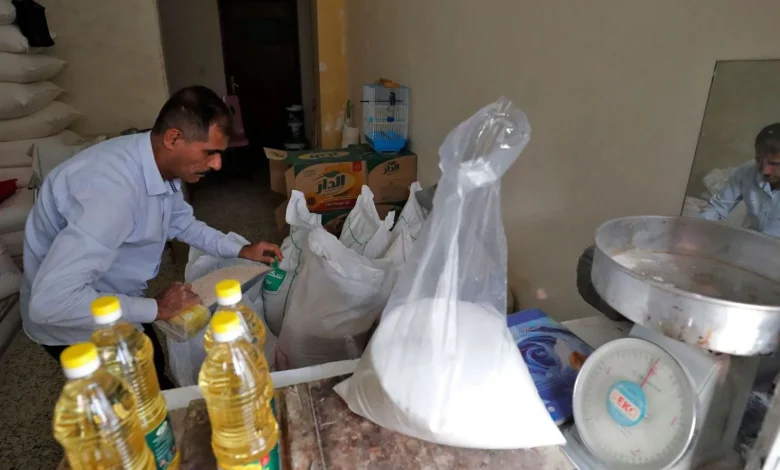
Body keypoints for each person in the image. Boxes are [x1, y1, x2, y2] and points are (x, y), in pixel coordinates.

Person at [20, 86, 282, 388]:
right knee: (137, 401)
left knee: (153, 367)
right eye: (209, 152)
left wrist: (240, 249)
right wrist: (157, 308)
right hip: (77, 322)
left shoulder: (156, 163)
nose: (217, 164)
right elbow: (52, 302)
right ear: (173, 138)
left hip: (117, 295)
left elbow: (182, 223)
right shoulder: (111, 196)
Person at [699, 123, 780, 237]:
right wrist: (695, 230)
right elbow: (718, 207)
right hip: (753, 240)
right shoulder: (747, 171)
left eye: (774, 164)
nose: (765, 171)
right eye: (759, 160)